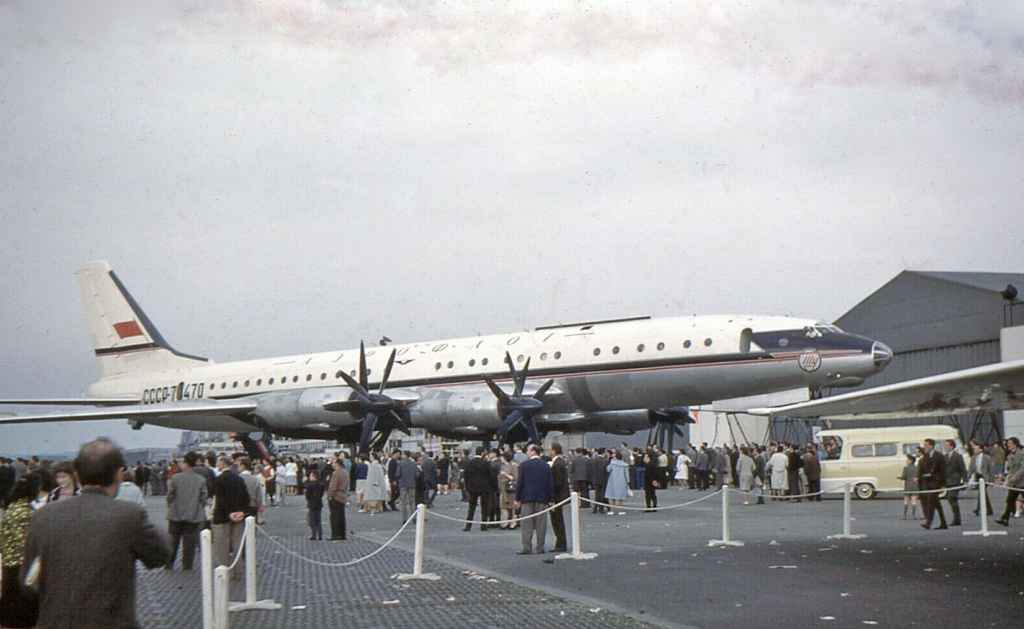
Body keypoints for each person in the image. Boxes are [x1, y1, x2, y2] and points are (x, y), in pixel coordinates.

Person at [21, 438, 169, 628]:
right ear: (118, 474)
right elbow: (160, 556)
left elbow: (27, 582)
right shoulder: (129, 515)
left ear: (78, 475)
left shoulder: (43, 516)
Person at [0, 474, 40, 628]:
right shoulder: (25, 512)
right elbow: (25, 542)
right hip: (21, 564)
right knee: (21, 611)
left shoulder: (12, 507)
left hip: (9, 562)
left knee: (9, 605)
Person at [166, 451, 208, 571]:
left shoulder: (175, 478)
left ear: (185, 463)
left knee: (173, 541)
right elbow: (204, 497)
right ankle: (187, 565)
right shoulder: (200, 479)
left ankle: (169, 564)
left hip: (175, 514)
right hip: (193, 514)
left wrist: (171, 505)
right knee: (189, 543)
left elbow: (170, 495)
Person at [212, 455, 251, 579]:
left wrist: (229, 513)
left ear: (223, 463)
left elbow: (220, 499)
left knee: (222, 545)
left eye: (218, 462)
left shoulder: (219, 479)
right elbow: (246, 498)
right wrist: (242, 512)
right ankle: (238, 571)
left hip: (223, 516)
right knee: (237, 544)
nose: (217, 464)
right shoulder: (239, 478)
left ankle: (224, 571)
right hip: (239, 515)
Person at [514, 444, 553, 555]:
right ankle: (540, 547)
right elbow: (549, 484)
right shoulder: (545, 465)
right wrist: (550, 498)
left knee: (527, 524)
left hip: (527, 498)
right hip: (542, 498)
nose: (527, 452)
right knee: (541, 524)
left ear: (532, 452)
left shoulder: (524, 465)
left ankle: (527, 547)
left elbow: (520, 483)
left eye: (528, 450)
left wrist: (517, 498)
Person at [918, 438, 948, 530]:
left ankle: (928, 523)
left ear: (931, 446)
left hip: (936, 483)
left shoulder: (939, 456)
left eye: (926, 445)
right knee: (937, 504)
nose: (925, 447)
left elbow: (943, 471)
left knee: (931, 501)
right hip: (928, 483)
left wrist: (942, 484)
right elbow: (924, 469)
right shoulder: (926, 456)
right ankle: (943, 523)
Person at [462, 447, 494, 532]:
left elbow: (466, 476)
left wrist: (467, 487)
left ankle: (468, 525)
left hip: (472, 488)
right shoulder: (486, 463)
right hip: (484, 488)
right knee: (484, 507)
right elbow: (491, 476)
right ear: (482, 453)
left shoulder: (470, 463)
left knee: (471, 507)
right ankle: (483, 525)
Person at [995, 437, 1023, 527]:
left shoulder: (1022, 453)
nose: (1008, 445)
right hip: (1014, 484)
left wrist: (1015, 477)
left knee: (1011, 500)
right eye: (1007, 444)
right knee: (1010, 500)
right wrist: (1006, 480)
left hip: (1022, 482)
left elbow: (1023, 468)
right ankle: (1005, 519)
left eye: (1010, 443)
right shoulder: (1010, 456)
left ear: (1015, 444)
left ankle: (1004, 518)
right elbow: (1010, 470)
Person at [549, 443, 569, 552]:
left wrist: (551, 498)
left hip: (557, 496)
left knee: (557, 521)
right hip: (561, 495)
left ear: (554, 451)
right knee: (558, 520)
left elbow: (556, 483)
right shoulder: (560, 462)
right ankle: (560, 543)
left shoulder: (557, 464)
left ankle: (561, 543)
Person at [942, 439, 967, 526]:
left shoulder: (958, 456)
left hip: (955, 481)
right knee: (951, 499)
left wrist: (965, 480)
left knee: (951, 498)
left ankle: (957, 518)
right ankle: (957, 518)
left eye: (946, 445)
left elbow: (963, 469)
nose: (945, 447)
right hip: (947, 481)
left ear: (951, 446)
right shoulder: (944, 457)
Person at [327, 457, 350, 540]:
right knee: (341, 516)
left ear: (337, 464)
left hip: (336, 496)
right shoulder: (345, 472)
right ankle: (342, 534)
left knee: (334, 517)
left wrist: (329, 495)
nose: (332, 465)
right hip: (343, 496)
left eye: (333, 463)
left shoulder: (336, 473)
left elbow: (333, 486)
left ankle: (335, 535)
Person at [969, 442, 993, 517]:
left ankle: (978, 509)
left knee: (981, 493)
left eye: (976, 448)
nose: (974, 450)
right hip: (978, 476)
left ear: (981, 449)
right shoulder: (973, 457)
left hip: (985, 477)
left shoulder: (987, 457)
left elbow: (990, 470)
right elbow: (971, 468)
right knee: (984, 494)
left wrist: (991, 480)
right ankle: (989, 510)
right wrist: (968, 477)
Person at [394, 450, 419, 522]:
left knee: (403, 502)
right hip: (412, 484)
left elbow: (397, 474)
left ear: (405, 455)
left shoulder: (400, 464)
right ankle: (414, 518)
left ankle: (404, 519)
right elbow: (417, 474)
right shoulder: (413, 464)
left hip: (403, 485)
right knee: (412, 502)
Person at [498, 451, 520, 529]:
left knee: (513, 507)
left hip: (511, 489)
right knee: (503, 507)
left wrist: (505, 475)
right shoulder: (503, 466)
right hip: (503, 489)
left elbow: (516, 478)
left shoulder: (514, 466)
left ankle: (513, 523)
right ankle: (504, 523)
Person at [897, 454, 921, 520]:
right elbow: (919, 476)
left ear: (911, 461)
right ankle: (913, 515)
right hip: (915, 486)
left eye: (908, 459)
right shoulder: (917, 468)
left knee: (906, 501)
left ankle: (904, 515)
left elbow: (904, 477)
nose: (906, 461)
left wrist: (899, 477)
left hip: (907, 486)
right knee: (914, 501)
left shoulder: (906, 468)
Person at [305, 469, 325, 540]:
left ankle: (313, 535)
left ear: (314, 476)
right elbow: (321, 494)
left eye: (310, 475)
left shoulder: (310, 485)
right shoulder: (321, 484)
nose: (309, 477)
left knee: (312, 520)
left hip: (312, 503)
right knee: (318, 520)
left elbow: (307, 495)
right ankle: (320, 535)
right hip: (319, 503)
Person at [590, 448, 609, 514]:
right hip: (602, 479)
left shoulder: (594, 459)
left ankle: (595, 508)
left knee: (597, 494)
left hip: (595, 479)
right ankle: (601, 508)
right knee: (602, 494)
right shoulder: (604, 460)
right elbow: (604, 470)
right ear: (603, 452)